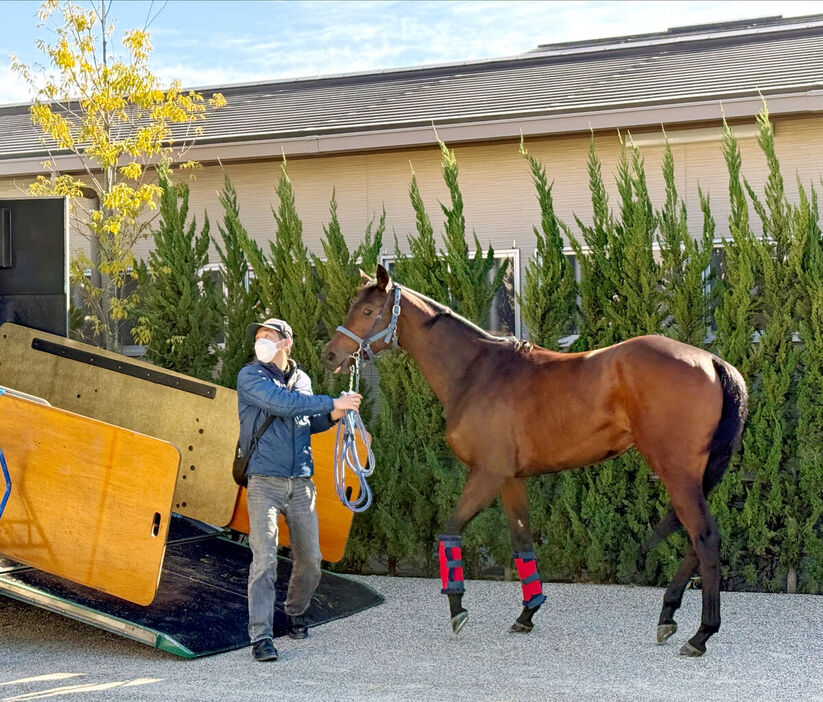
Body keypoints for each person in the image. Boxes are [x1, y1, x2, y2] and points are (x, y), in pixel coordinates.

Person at [237, 317, 362, 662]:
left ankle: (295, 611)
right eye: (258, 336)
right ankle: (261, 636)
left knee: (311, 561)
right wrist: (330, 401)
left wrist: (336, 414)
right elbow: (283, 405)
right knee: (264, 560)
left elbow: (307, 421)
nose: (260, 341)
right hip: (264, 482)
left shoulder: (302, 379)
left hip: (301, 483)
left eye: (268, 336)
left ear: (286, 343)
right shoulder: (250, 377)